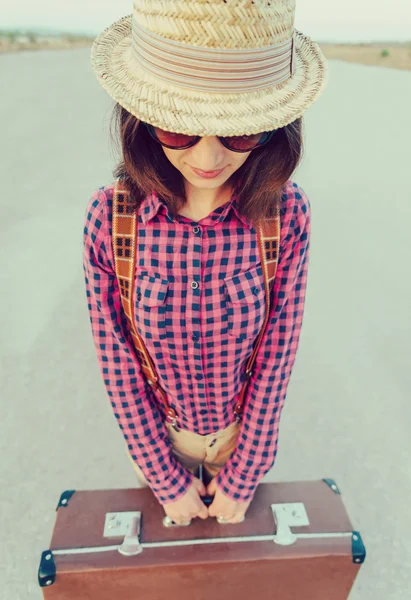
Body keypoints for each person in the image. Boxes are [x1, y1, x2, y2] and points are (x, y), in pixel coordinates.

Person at [83, 0, 328, 526]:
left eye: (239, 135)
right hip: (158, 443)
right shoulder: (111, 218)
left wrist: (245, 473)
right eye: (180, 132)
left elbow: (278, 352)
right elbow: (117, 361)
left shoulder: (286, 215)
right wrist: (166, 481)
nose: (208, 159)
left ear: (274, 129)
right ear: (142, 122)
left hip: (245, 439)